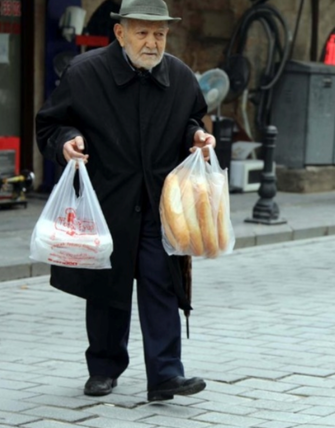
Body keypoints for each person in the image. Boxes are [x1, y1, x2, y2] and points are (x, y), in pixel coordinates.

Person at [35, 0, 216, 402]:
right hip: (106, 202)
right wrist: (66, 143)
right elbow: (50, 124)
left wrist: (196, 138)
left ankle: (166, 374)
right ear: (120, 33)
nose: (153, 43)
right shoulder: (85, 74)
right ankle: (103, 367)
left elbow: (191, 119)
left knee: (161, 284)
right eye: (143, 32)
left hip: (159, 203)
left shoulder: (182, 77)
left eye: (160, 34)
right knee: (106, 288)